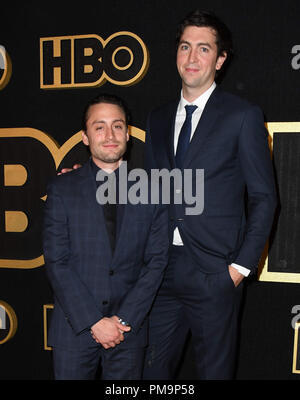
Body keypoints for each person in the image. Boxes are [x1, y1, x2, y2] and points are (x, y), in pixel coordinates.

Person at [142, 10, 277, 380]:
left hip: (215, 272)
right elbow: (149, 190)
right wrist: (87, 180)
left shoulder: (243, 115)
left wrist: (239, 268)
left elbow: (264, 197)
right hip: (160, 270)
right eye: (185, 47)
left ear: (220, 59)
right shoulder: (157, 118)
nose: (191, 58)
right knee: (150, 374)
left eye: (203, 49)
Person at [43, 94, 169, 380]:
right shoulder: (62, 189)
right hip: (73, 329)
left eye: (117, 125)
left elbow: (157, 262)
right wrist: (94, 321)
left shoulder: (154, 191)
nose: (109, 135)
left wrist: (123, 319)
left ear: (127, 132)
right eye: (99, 127)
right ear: (85, 137)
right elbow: (57, 261)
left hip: (128, 331)